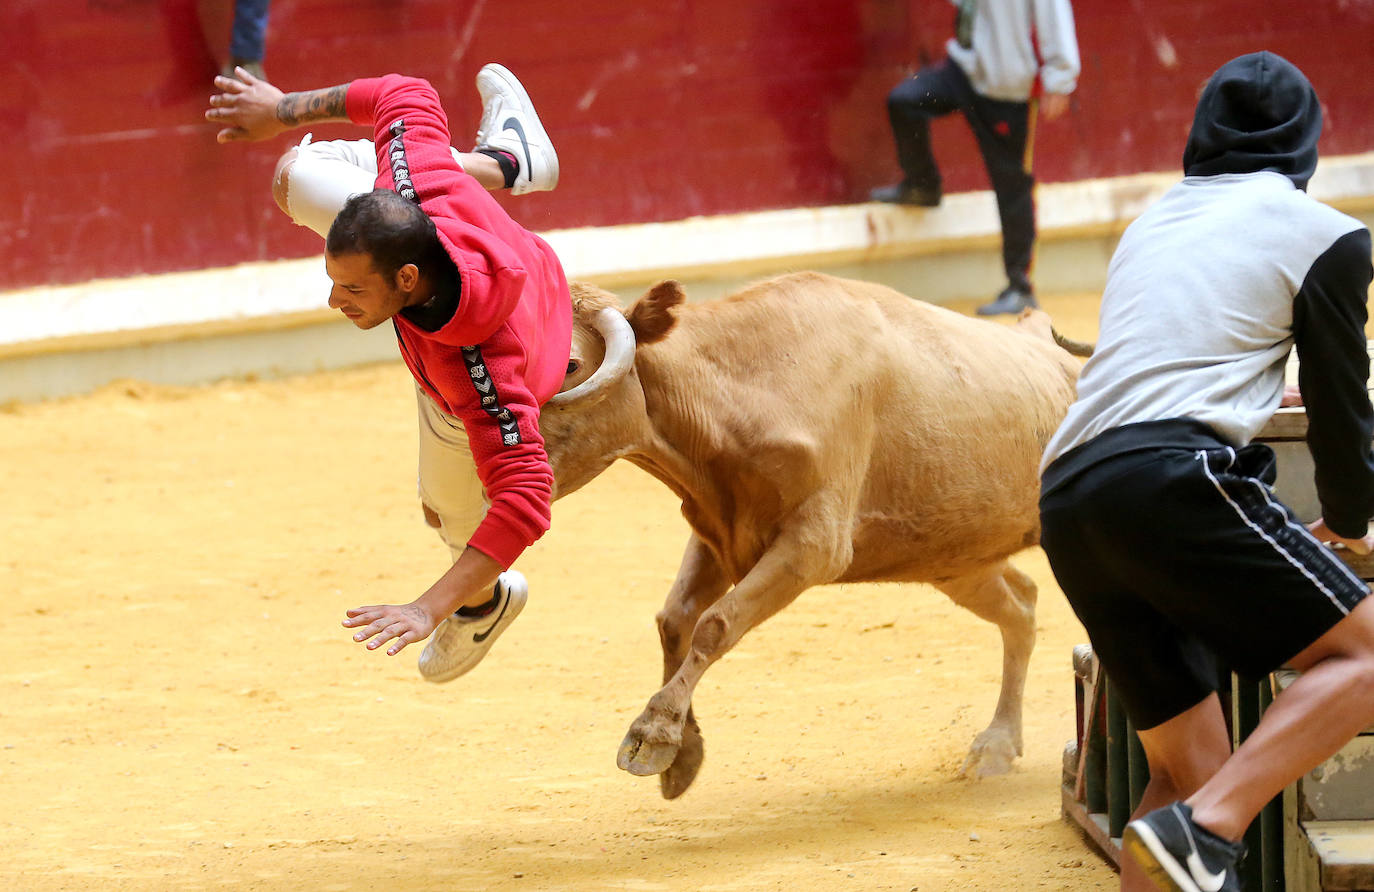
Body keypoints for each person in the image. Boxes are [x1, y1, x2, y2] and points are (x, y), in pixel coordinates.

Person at [1038, 52, 1374, 892]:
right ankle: (1212, 833)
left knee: (1189, 774)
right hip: (1171, 480)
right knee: (1368, 658)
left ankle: (1188, 835)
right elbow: (1342, 406)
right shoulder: (1327, 234)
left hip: (1070, 494)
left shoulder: (1149, 224)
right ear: (1307, 139)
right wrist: (1351, 521)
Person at [205, 63, 567, 682]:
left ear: (405, 280)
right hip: (471, 241)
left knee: (450, 513)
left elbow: (527, 499)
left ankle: (481, 607)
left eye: (349, 288)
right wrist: (279, 106)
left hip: (509, 355)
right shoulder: (412, 181)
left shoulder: (481, 370)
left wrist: (427, 609)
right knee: (294, 174)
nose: (332, 303)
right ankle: (504, 164)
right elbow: (404, 92)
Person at [872, 0, 1080, 316]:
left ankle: (1020, 287)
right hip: (964, 68)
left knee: (1011, 186)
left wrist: (1059, 78)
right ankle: (923, 185)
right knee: (904, 101)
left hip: (1005, 86)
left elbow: (1053, 12)